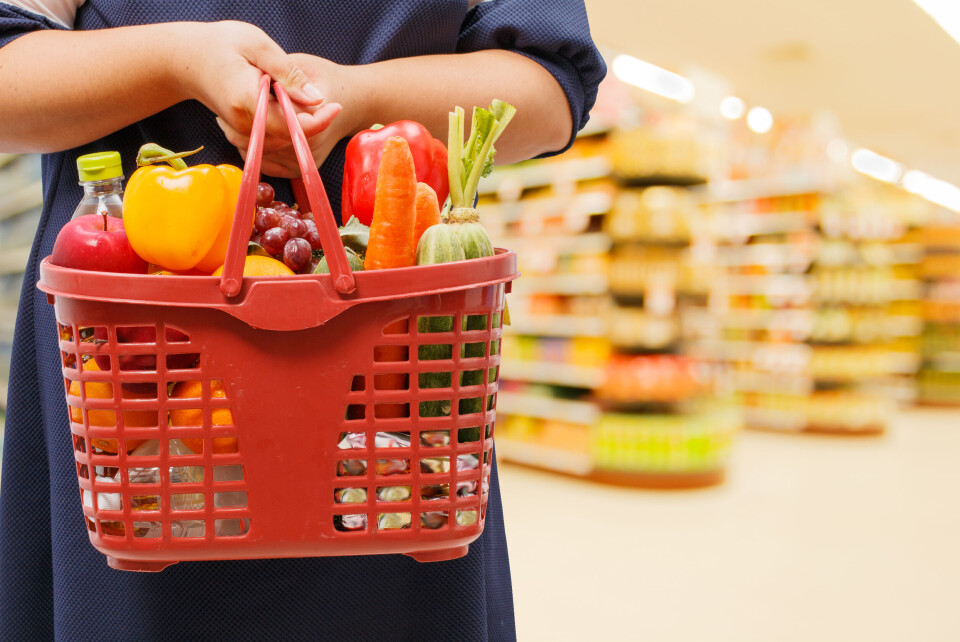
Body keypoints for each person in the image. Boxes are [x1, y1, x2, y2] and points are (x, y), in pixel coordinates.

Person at [0, 1, 605, 638]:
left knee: (393, 560)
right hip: (134, 368)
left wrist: (361, 96)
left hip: (392, 366)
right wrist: (178, 61)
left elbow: (552, 84)